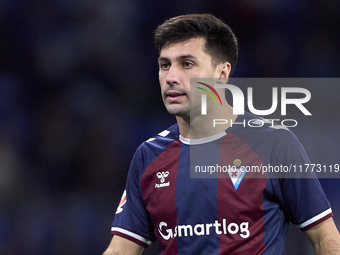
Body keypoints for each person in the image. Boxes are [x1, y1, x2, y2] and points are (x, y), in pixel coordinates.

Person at [103, 14, 340, 254]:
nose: (171, 77)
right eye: (165, 65)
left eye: (187, 64)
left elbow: (325, 239)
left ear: (222, 73)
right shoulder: (148, 156)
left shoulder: (274, 143)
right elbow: (121, 249)